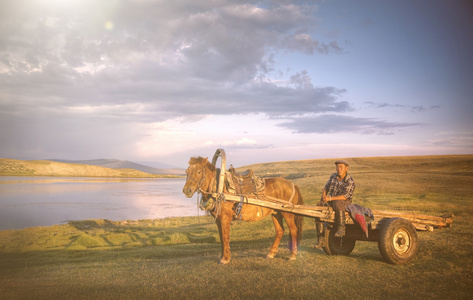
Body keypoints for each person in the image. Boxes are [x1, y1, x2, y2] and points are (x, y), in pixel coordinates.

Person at [314, 160, 355, 249]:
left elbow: (345, 196)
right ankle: (320, 239)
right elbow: (326, 187)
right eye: (337, 167)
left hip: (344, 203)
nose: (338, 169)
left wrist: (330, 198)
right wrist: (323, 199)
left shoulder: (350, 180)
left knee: (338, 202)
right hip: (332, 201)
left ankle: (341, 228)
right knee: (319, 208)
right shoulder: (333, 176)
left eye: (341, 167)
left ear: (346, 168)